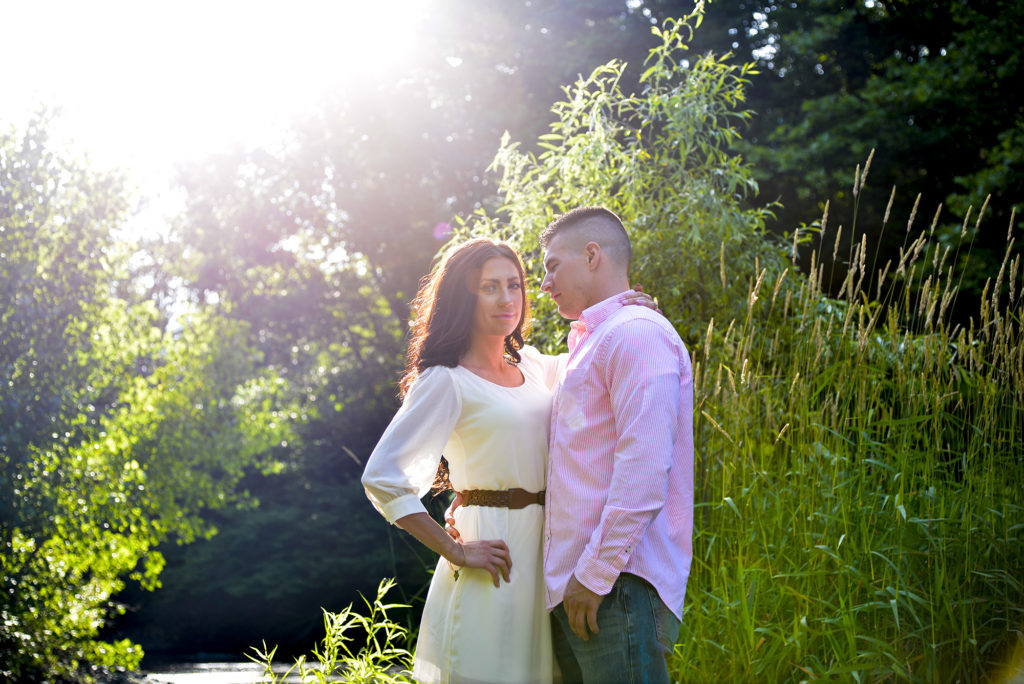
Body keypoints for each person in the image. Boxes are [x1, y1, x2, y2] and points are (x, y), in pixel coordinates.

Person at [360, 237, 656, 684]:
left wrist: (623, 311)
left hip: (549, 555)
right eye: (490, 287)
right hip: (493, 557)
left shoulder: (535, 366)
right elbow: (383, 477)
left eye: (514, 285)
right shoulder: (445, 380)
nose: (507, 298)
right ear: (464, 295)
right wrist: (454, 548)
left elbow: (596, 355)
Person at [538, 207, 693, 684]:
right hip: (580, 587)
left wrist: (596, 573)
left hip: (612, 586)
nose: (544, 284)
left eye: (551, 265)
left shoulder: (636, 334)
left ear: (591, 256)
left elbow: (644, 469)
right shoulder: (597, 340)